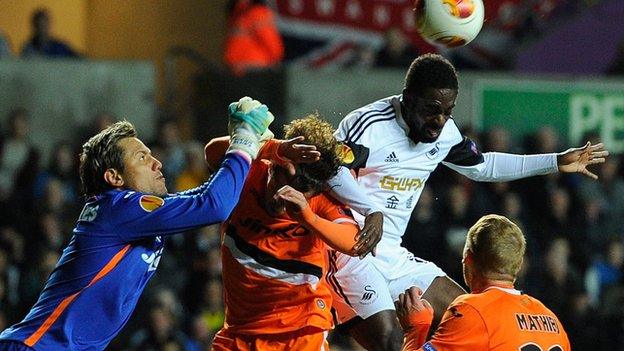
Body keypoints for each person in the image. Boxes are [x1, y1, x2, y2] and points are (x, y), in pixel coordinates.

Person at [326, 53, 608, 350]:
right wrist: (370, 210)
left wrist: (555, 161)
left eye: (447, 112)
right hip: (349, 250)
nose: (438, 121)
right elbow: (329, 168)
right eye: (432, 110)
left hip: (393, 256)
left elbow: (483, 166)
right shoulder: (369, 125)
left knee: (466, 317)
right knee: (393, 343)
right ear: (408, 97)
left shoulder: (444, 133)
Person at [0, 97, 274, 350]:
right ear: (114, 177)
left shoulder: (128, 213)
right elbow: (214, 205)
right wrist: (243, 141)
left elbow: (200, 198)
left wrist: (248, 150)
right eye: (142, 157)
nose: (156, 162)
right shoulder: (120, 208)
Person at [204, 114, 361, 350]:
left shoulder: (320, 201)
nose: (282, 195)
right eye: (281, 180)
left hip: (301, 331)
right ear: (275, 165)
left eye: (297, 190)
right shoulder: (251, 171)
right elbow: (212, 153)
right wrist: (272, 147)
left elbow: (353, 242)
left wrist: (306, 216)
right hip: (239, 332)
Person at [395, 214, 571, 351]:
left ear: (467, 258)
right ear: (518, 266)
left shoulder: (473, 310)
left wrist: (415, 328)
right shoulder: (552, 319)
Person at [224, 0, 284, 76]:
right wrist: (277, 61)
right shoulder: (259, 13)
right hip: (255, 66)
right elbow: (271, 42)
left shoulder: (236, 14)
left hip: (235, 67)